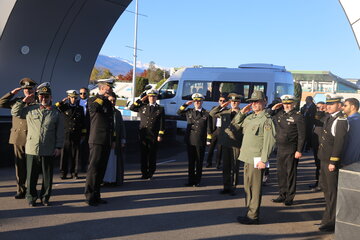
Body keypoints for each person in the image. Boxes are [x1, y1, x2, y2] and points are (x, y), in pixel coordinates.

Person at [11, 84, 64, 207]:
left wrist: (58, 147)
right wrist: (24, 101)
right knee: (31, 175)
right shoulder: (31, 109)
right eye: (41, 96)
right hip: (32, 148)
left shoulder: (56, 113)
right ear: (38, 97)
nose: (44, 98)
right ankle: (31, 197)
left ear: (51, 97)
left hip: (48, 148)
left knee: (47, 176)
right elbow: (15, 112)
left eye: (46, 96)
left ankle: (45, 197)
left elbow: (60, 132)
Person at [233, 90, 276, 225]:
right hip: (246, 157)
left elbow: (270, 141)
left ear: (264, 102)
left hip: (257, 159)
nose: (254, 104)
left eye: (257, 101)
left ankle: (253, 216)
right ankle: (249, 212)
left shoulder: (266, 120)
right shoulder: (250, 117)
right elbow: (235, 125)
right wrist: (242, 112)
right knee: (247, 188)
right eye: (252, 102)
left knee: (255, 188)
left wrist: (264, 160)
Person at [0, 78, 37, 199]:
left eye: (30, 88)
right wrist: (12, 93)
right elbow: (1, 103)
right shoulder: (17, 101)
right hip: (19, 136)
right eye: (25, 89)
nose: (28, 91)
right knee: (20, 165)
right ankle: (21, 189)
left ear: (34, 89)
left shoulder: (38, 101)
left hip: (33, 137)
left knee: (32, 165)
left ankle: (31, 188)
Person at [318, 94, 348, 232]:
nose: (328, 106)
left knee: (331, 192)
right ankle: (327, 216)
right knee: (326, 188)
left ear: (339, 105)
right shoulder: (330, 117)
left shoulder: (340, 120)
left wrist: (333, 161)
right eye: (327, 104)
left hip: (331, 161)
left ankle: (331, 221)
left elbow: (339, 142)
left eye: (332, 104)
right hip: (324, 159)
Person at [270, 95, 305, 206]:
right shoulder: (279, 114)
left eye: (289, 103)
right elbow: (267, 116)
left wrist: (299, 150)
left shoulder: (298, 117)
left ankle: (290, 197)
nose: (287, 106)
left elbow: (302, 136)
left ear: (293, 104)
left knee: (290, 173)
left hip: (291, 149)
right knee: (281, 173)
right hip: (280, 148)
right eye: (285, 103)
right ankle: (282, 194)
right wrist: (273, 108)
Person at [84, 79, 114, 206]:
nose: (110, 92)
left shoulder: (108, 103)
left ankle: (97, 195)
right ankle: (90, 195)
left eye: (110, 90)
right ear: (101, 89)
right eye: (107, 89)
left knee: (101, 169)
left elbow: (111, 123)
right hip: (96, 140)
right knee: (94, 168)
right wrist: (102, 96)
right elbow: (94, 108)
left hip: (106, 139)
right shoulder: (93, 100)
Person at [210, 93, 242, 195]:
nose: (234, 103)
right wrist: (221, 106)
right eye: (232, 102)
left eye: (236, 101)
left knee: (235, 167)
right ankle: (226, 186)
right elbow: (211, 113)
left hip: (236, 144)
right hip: (225, 143)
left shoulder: (242, 113)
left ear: (239, 102)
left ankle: (233, 187)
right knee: (226, 167)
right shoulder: (224, 112)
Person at [129, 89, 165, 179]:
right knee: (143, 154)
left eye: (153, 96)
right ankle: (144, 172)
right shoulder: (143, 106)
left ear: (156, 97)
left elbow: (162, 123)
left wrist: (160, 135)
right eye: (150, 96)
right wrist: (141, 99)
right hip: (144, 134)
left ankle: (151, 172)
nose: (152, 98)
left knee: (152, 154)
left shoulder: (160, 109)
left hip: (153, 134)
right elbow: (132, 107)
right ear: (147, 97)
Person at [177, 93, 212, 187]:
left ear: (202, 102)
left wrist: (208, 140)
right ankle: (190, 180)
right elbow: (178, 113)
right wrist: (185, 104)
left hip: (200, 140)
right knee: (191, 161)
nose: (197, 103)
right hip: (190, 139)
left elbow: (209, 127)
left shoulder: (206, 113)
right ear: (193, 102)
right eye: (196, 101)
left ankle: (198, 180)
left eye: (199, 101)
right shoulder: (189, 111)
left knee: (199, 161)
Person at [55, 90, 85, 179]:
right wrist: (63, 101)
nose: (73, 99)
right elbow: (56, 106)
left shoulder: (80, 108)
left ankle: (74, 172)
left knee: (75, 154)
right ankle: (63, 173)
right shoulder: (65, 107)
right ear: (69, 98)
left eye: (75, 98)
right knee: (65, 154)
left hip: (76, 134)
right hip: (66, 134)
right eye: (72, 97)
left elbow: (82, 121)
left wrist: (83, 133)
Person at [103, 92, 126, 186]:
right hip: (105, 142)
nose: (112, 102)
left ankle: (113, 180)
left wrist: (122, 140)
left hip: (115, 142)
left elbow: (121, 127)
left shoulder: (117, 113)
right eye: (110, 100)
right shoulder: (103, 112)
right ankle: (105, 180)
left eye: (114, 100)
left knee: (114, 163)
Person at [309, 101, 327, 191]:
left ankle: (321, 184)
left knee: (320, 165)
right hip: (315, 144)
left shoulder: (325, 117)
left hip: (321, 144)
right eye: (317, 107)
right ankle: (317, 182)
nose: (319, 109)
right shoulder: (316, 116)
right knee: (317, 165)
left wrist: (323, 111)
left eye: (321, 107)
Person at [206, 95, 227, 168]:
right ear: (218, 101)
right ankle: (208, 162)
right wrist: (209, 132)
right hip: (214, 130)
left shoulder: (227, 110)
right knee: (211, 147)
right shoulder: (214, 109)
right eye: (220, 100)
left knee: (220, 149)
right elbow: (210, 119)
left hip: (222, 131)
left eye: (224, 101)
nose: (222, 102)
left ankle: (218, 163)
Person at [342, 98, 360, 167]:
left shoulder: (350, 121)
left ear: (352, 107)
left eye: (345, 105)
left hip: (349, 159)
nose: (343, 107)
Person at [79, 87, 90, 172]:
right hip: (78, 128)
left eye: (84, 93)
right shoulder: (76, 102)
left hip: (88, 128)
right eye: (81, 93)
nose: (82, 95)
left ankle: (84, 165)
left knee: (86, 148)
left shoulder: (91, 103)